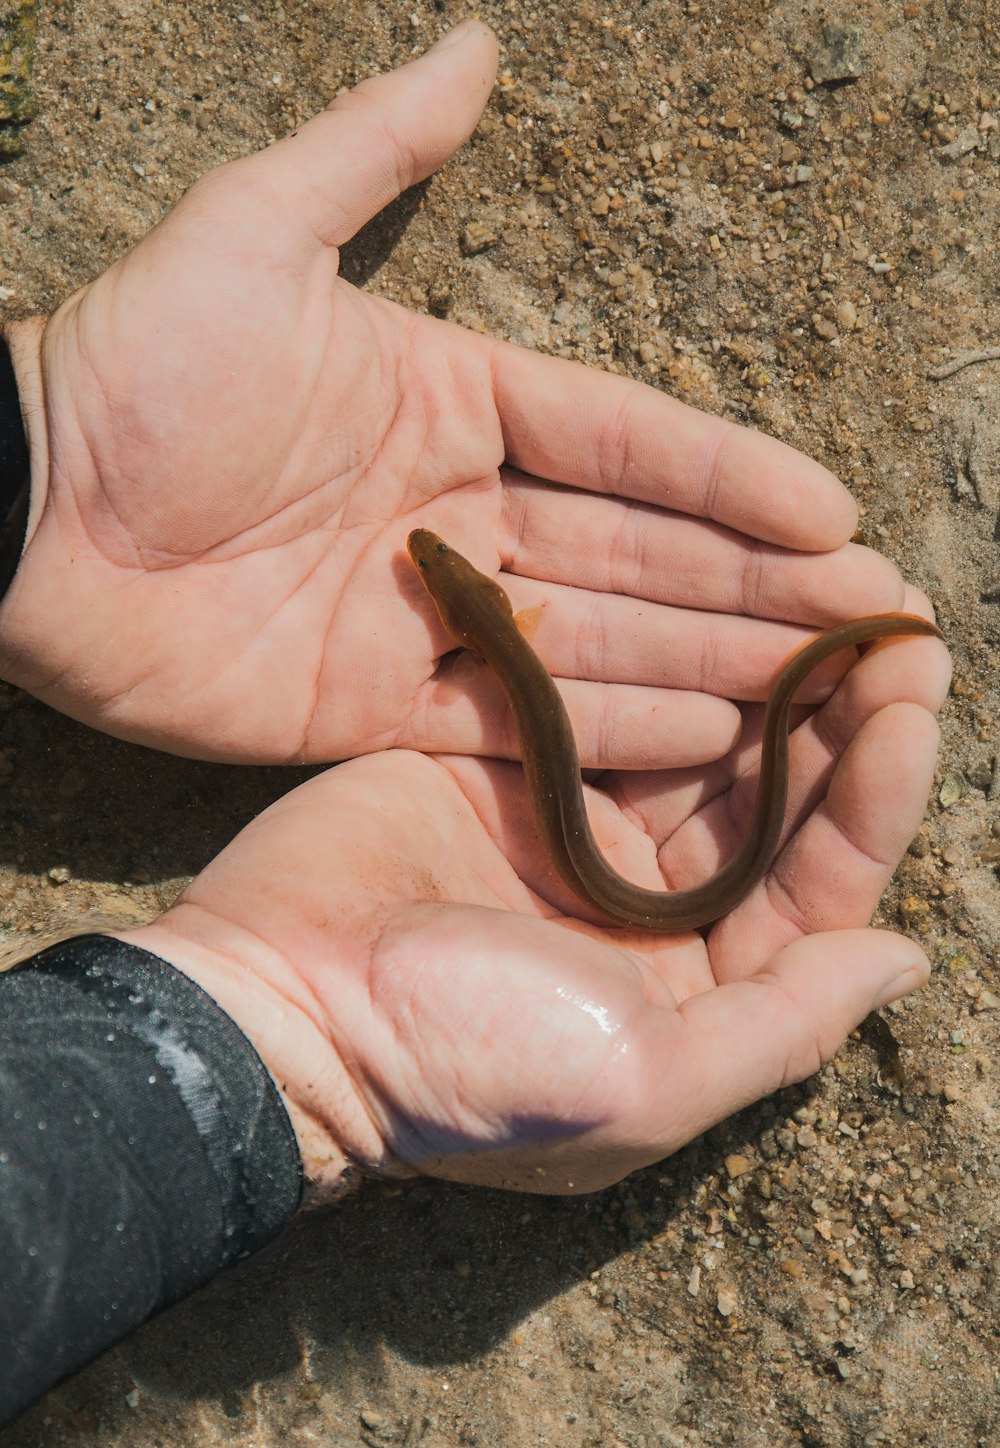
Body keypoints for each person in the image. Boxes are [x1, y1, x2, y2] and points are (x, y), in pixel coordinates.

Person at [0, 19, 949, 1425]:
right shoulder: (492, 632)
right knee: (668, 833)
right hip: (530, 788)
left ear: (459, 609)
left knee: (679, 816)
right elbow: (493, 650)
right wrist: (49, 459)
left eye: (441, 586)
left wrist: (41, 456)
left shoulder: (481, 639)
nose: (433, 580)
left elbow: (486, 653)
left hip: (554, 777)